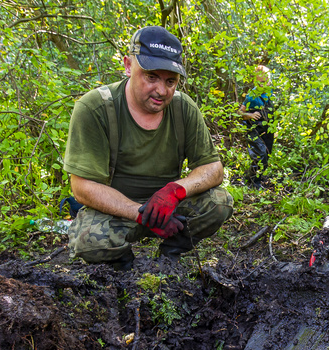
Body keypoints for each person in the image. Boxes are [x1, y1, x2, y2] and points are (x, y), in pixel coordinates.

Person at [63, 26, 233, 268]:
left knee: (218, 203)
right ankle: (124, 269)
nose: (161, 91)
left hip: (170, 208)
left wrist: (176, 190)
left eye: (170, 81)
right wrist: (141, 213)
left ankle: (169, 259)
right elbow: (82, 187)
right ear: (128, 66)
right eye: (151, 77)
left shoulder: (183, 108)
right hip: (116, 209)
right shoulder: (95, 108)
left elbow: (213, 169)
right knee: (89, 240)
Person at [237, 65, 274, 188]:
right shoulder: (251, 96)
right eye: (259, 82)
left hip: (267, 129)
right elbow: (239, 113)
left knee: (267, 154)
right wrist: (250, 115)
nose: (262, 85)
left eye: (265, 82)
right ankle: (254, 183)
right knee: (260, 154)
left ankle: (251, 177)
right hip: (253, 129)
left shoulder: (270, 92)